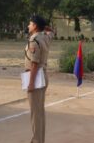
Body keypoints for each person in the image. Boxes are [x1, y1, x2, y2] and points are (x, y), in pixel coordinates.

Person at [24, 15, 54, 143]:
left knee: (36, 113)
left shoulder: (34, 40)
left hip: (36, 77)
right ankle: (40, 140)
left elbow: (34, 64)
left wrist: (31, 83)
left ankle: (36, 141)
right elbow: (51, 32)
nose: (28, 26)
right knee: (40, 112)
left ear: (35, 26)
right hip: (43, 75)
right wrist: (45, 27)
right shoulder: (45, 37)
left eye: (30, 24)